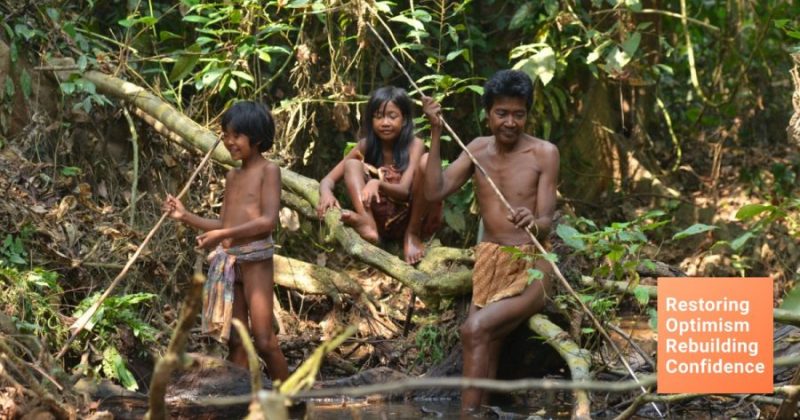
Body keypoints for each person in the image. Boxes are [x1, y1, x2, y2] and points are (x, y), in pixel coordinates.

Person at [422, 70, 559, 414]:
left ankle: (468, 417)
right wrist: (437, 131)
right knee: (486, 342)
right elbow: (433, 190)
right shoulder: (478, 149)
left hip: (533, 265)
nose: (510, 122)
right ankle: (480, 410)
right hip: (489, 262)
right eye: (502, 113)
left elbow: (545, 222)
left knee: (474, 330)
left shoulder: (544, 153)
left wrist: (534, 223)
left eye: (518, 114)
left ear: (528, 114)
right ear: (488, 113)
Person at [162, 101, 289, 381]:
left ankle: (292, 400)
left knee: (264, 340)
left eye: (235, 136)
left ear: (255, 137)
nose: (229, 142)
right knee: (236, 341)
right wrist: (185, 216)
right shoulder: (233, 175)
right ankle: (238, 402)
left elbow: (268, 221)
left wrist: (222, 235)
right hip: (231, 263)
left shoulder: (269, 171)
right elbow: (225, 225)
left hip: (256, 261)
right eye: (226, 135)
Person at [317, 86, 442, 264]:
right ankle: (368, 225)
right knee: (352, 164)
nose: (385, 123)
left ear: (405, 120)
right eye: (378, 116)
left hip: (410, 218)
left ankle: (412, 236)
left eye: (392, 116)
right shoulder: (366, 145)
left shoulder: (415, 145)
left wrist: (378, 183)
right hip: (381, 220)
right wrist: (327, 193)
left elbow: (405, 191)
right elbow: (328, 179)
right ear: (371, 120)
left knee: (426, 161)